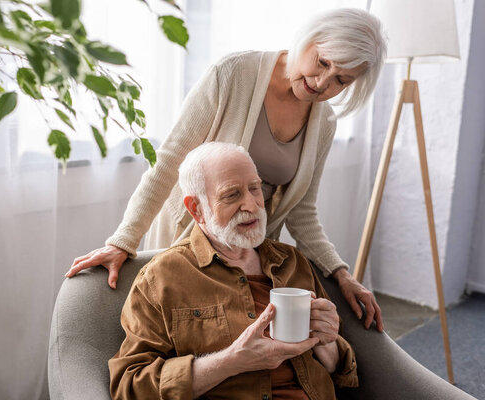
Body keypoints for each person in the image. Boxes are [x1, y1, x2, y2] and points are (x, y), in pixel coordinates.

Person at [67, 8, 386, 331]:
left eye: (341, 80)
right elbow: (168, 162)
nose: (322, 83)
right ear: (310, 39)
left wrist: (341, 273)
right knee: (168, 335)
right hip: (185, 242)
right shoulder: (232, 74)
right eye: (323, 62)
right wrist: (123, 241)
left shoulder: (325, 123)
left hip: (246, 258)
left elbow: (302, 212)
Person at [109, 142, 358, 399]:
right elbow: (130, 386)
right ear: (196, 209)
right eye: (231, 195)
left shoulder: (292, 262)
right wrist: (231, 361)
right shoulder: (160, 278)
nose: (251, 205)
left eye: (255, 188)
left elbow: (341, 371)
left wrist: (328, 342)